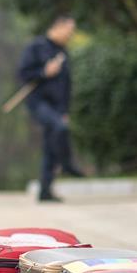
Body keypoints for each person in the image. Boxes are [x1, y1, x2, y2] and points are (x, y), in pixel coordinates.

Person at [17, 15, 84, 202]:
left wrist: (65, 111)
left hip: (57, 106)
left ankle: (45, 191)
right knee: (59, 128)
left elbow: (66, 85)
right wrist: (44, 72)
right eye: (69, 31)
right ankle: (68, 163)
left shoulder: (63, 51)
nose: (70, 36)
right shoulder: (36, 47)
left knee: (50, 144)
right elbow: (23, 73)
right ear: (58, 27)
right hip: (39, 102)